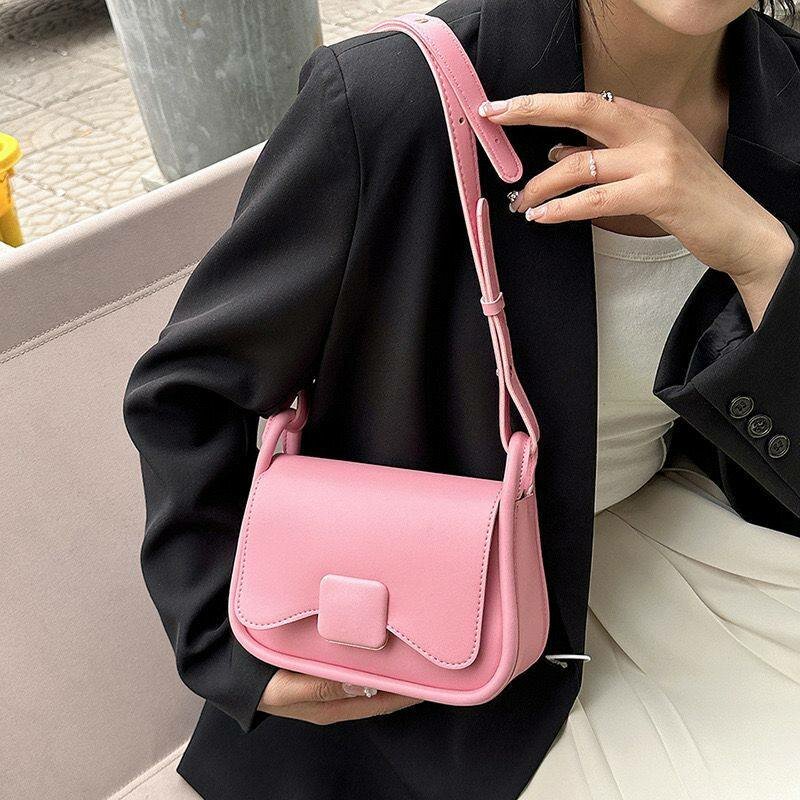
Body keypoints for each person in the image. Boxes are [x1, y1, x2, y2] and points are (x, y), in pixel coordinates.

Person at [122, 1, 800, 798]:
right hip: (431, 639)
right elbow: (190, 390)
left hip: (678, 538)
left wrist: (764, 259)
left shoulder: (786, 94)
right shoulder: (394, 98)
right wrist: (223, 641)